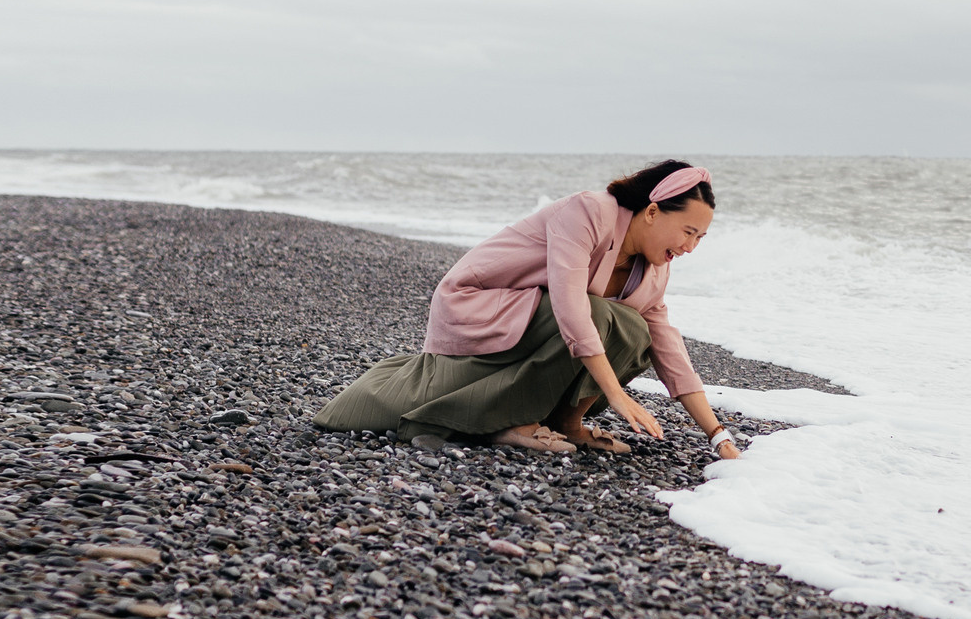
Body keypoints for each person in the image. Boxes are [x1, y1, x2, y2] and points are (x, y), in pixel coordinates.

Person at [314, 159, 745, 459]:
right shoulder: (590, 211)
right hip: (479, 305)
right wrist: (615, 395)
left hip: (534, 322)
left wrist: (717, 434)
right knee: (597, 315)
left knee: (637, 330)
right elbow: (571, 307)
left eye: (700, 239)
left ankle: (567, 423)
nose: (689, 247)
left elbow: (670, 352)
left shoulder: (652, 271)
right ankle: (514, 420)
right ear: (652, 212)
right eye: (687, 232)